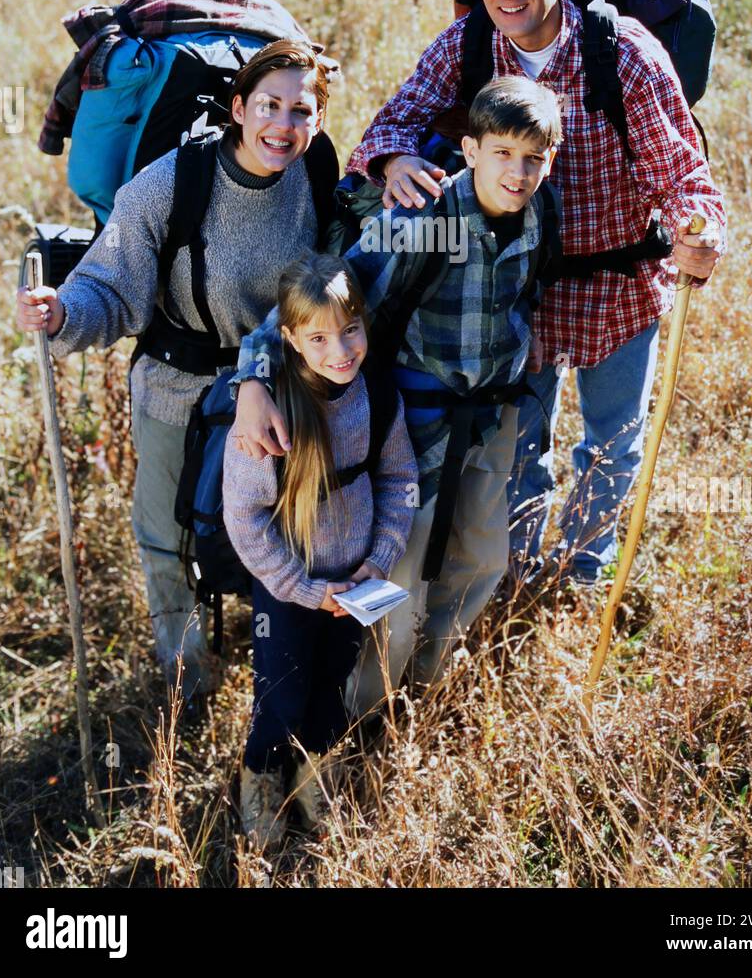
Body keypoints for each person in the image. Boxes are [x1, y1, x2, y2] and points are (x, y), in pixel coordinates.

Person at [344, 0, 727, 586]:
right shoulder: (466, 46)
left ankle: (583, 572)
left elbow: (682, 176)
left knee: (611, 445)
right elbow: (387, 125)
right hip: (512, 286)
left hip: (619, 284)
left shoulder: (623, 54)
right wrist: (395, 160)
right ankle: (515, 573)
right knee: (519, 443)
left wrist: (696, 234)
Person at [15, 41, 337, 705]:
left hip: (278, 388)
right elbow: (110, 284)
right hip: (175, 384)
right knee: (168, 537)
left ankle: (273, 666)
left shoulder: (320, 175)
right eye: (268, 106)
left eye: (300, 110)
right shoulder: (174, 182)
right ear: (239, 107)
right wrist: (61, 311)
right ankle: (185, 678)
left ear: (319, 119)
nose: (282, 124)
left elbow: (337, 284)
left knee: (278, 530)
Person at [232, 77, 563, 712]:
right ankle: (363, 709)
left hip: (492, 413)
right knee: (400, 578)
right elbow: (328, 295)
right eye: (502, 154)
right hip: (415, 424)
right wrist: (253, 374)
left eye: (533, 158)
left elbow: (524, 295)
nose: (517, 173)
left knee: (481, 557)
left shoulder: (541, 210)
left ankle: (426, 687)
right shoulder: (421, 220)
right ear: (469, 151)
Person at [223, 254, 417, 848]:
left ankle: (316, 774)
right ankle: (261, 779)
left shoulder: (377, 393)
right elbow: (246, 520)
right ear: (289, 339)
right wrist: (305, 590)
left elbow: (399, 479)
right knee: (282, 692)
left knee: (333, 684)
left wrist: (379, 559)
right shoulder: (268, 411)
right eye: (318, 337)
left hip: (355, 582)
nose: (340, 350)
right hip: (289, 585)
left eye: (350, 329)